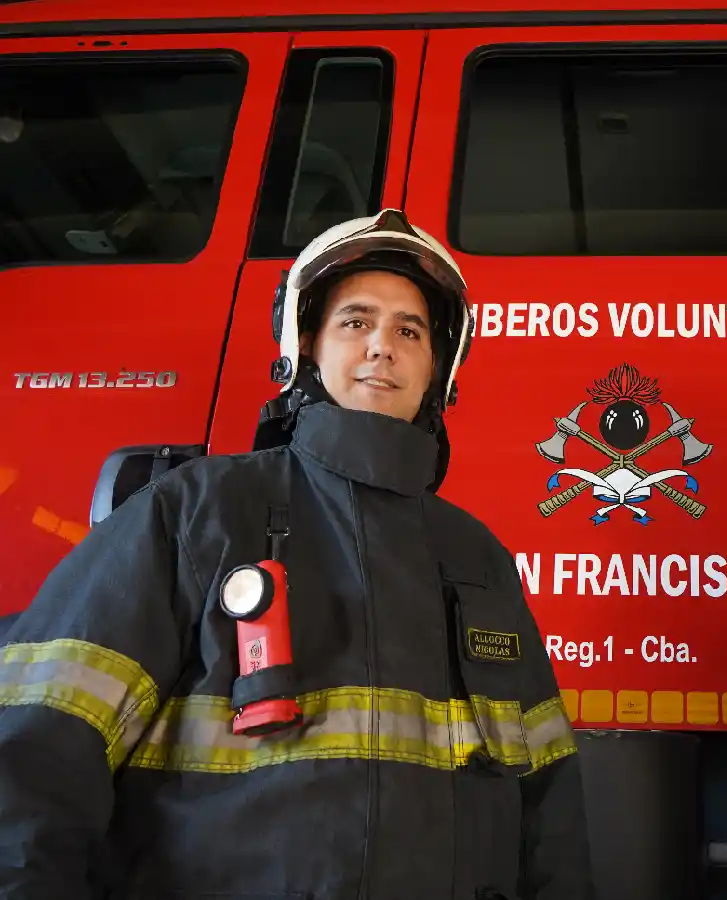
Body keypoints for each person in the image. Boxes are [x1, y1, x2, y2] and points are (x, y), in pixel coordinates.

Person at [0, 209, 594, 900]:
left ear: (439, 367)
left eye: (410, 330)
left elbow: (549, 802)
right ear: (305, 345)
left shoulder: (476, 556)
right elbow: (41, 751)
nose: (383, 347)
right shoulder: (196, 512)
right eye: (356, 321)